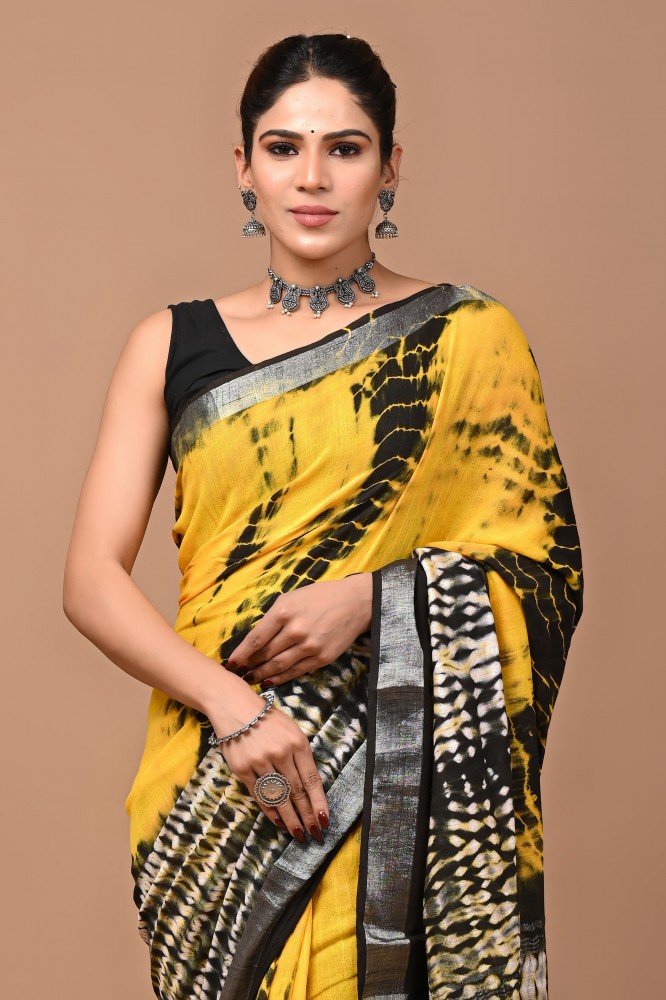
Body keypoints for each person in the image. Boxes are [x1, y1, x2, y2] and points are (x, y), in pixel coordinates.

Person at [63, 32, 583, 1000]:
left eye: (345, 148)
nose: (312, 177)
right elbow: (90, 579)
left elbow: (541, 570)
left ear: (390, 167)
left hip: (401, 782)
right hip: (219, 781)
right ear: (244, 166)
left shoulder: (470, 336)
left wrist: (379, 599)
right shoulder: (170, 343)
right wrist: (235, 710)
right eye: (283, 147)